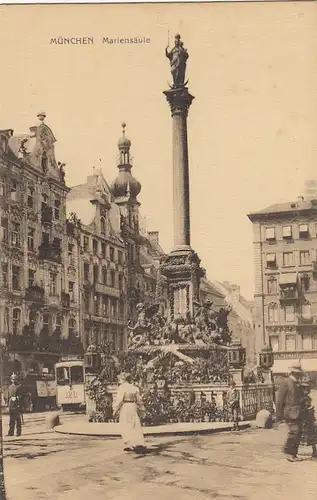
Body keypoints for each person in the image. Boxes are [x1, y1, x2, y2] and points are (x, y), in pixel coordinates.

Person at [275, 362, 304, 462]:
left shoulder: (297, 383)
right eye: (298, 373)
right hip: (290, 412)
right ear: (293, 373)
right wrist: (279, 416)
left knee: (298, 432)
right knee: (294, 432)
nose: (299, 375)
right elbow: (279, 400)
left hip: (298, 412)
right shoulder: (286, 382)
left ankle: (293, 454)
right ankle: (288, 452)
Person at [113, 372, 146, 453]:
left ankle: (130, 443)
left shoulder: (122, 388)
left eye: (120, 379)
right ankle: (137, 442)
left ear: (124, 379)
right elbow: (139, 400)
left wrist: (115, 409)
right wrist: (142, 409)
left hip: (126, 406)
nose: (119, 380)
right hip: (133, 406)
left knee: (125, 424)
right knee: (134, 423)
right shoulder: (134, 388)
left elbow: (119, 400)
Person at [300, 377, 317, 460]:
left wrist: (310, 410)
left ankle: (314, 450)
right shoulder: (300, 398)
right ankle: (294, 451)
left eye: (306, 388)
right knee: (300, 434)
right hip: (303, 418)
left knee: (312, 434)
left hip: (309, 418)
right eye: (303, 388)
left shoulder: (308, 398)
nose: (305, 390)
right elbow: (301, 408)